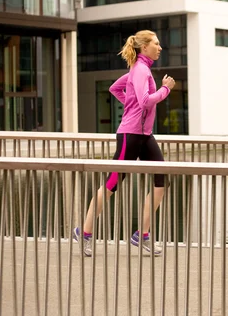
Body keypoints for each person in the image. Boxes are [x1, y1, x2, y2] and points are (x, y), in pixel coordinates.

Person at [73, 30, 175, 256]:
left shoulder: (141, 70)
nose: (160, 48)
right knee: (111, 185)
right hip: (130, 135)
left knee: (161, 182)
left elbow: (116, 89)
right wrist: (165, 89)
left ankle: (143, 235)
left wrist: (131, 105)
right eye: (156, 44)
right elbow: (146, 101)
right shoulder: (140, 70)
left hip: (145, 135)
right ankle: (85, 232)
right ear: (144, 47)